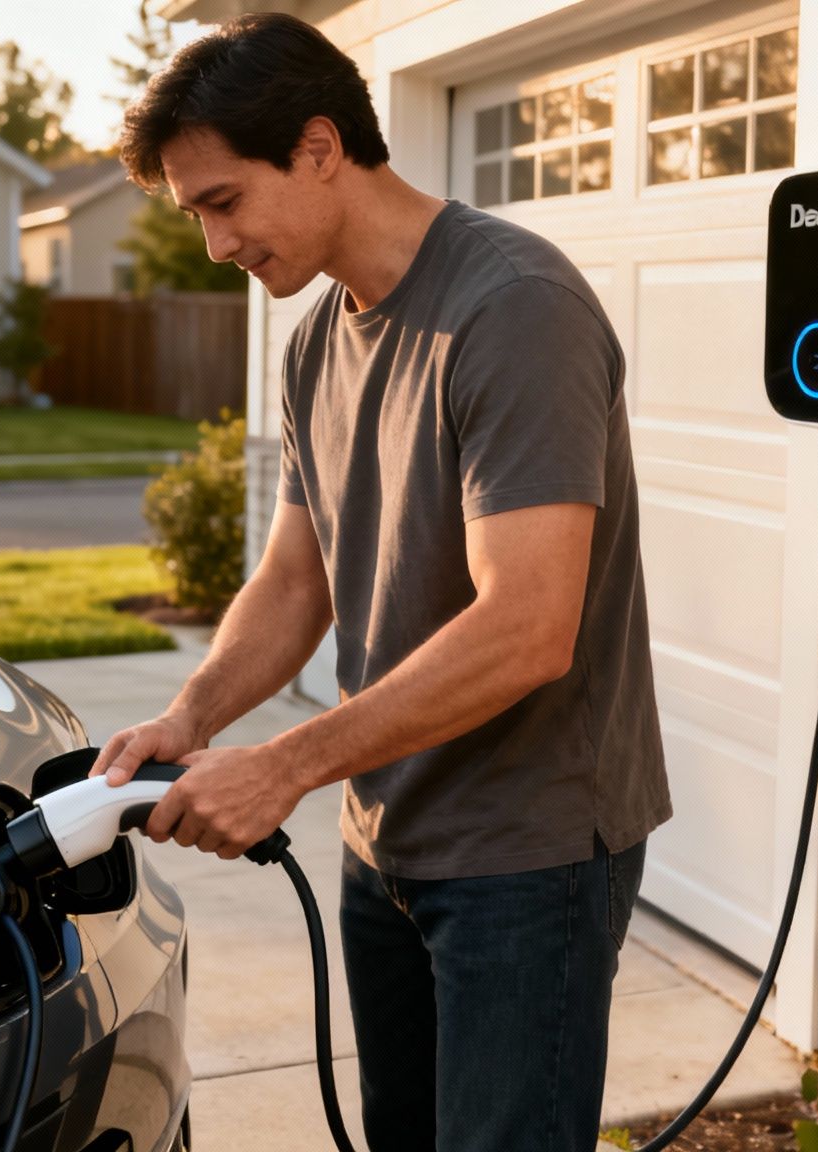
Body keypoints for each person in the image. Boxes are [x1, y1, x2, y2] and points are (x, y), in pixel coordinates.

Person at [90, 12, 672, 1152]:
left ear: (316, 147)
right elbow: (295, 580)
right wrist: (192, 716)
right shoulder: (317, 341)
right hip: (385, 836)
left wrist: (286, 767)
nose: (214, 245)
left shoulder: (510, 308)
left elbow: (528, 626)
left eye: (221, 202)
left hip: (527, 854)